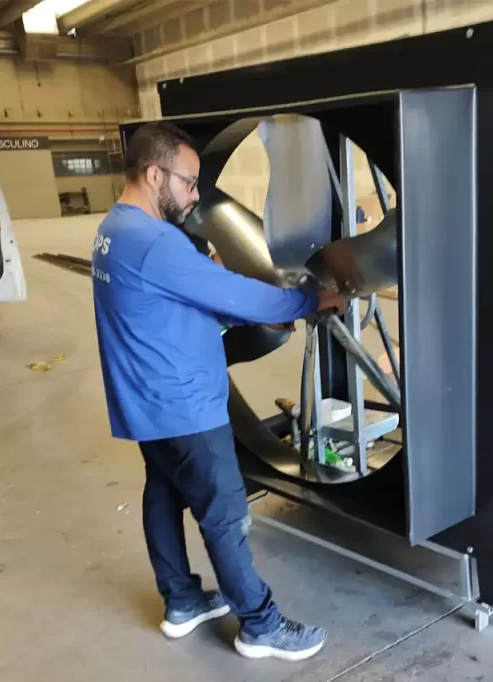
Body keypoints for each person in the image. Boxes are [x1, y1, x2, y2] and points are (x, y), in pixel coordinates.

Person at [91, 121, 345, 662]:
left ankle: (182, 600)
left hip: (144, 402)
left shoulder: (113, 229)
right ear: (155, 173)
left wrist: (208, 287)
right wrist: (307, 302)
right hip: (185, 407)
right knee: (224, 515)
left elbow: (177, 300)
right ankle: (261, 624)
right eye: (188, 183)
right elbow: (237, 294)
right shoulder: (155, 243)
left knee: (162, 494)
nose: (194, 195)